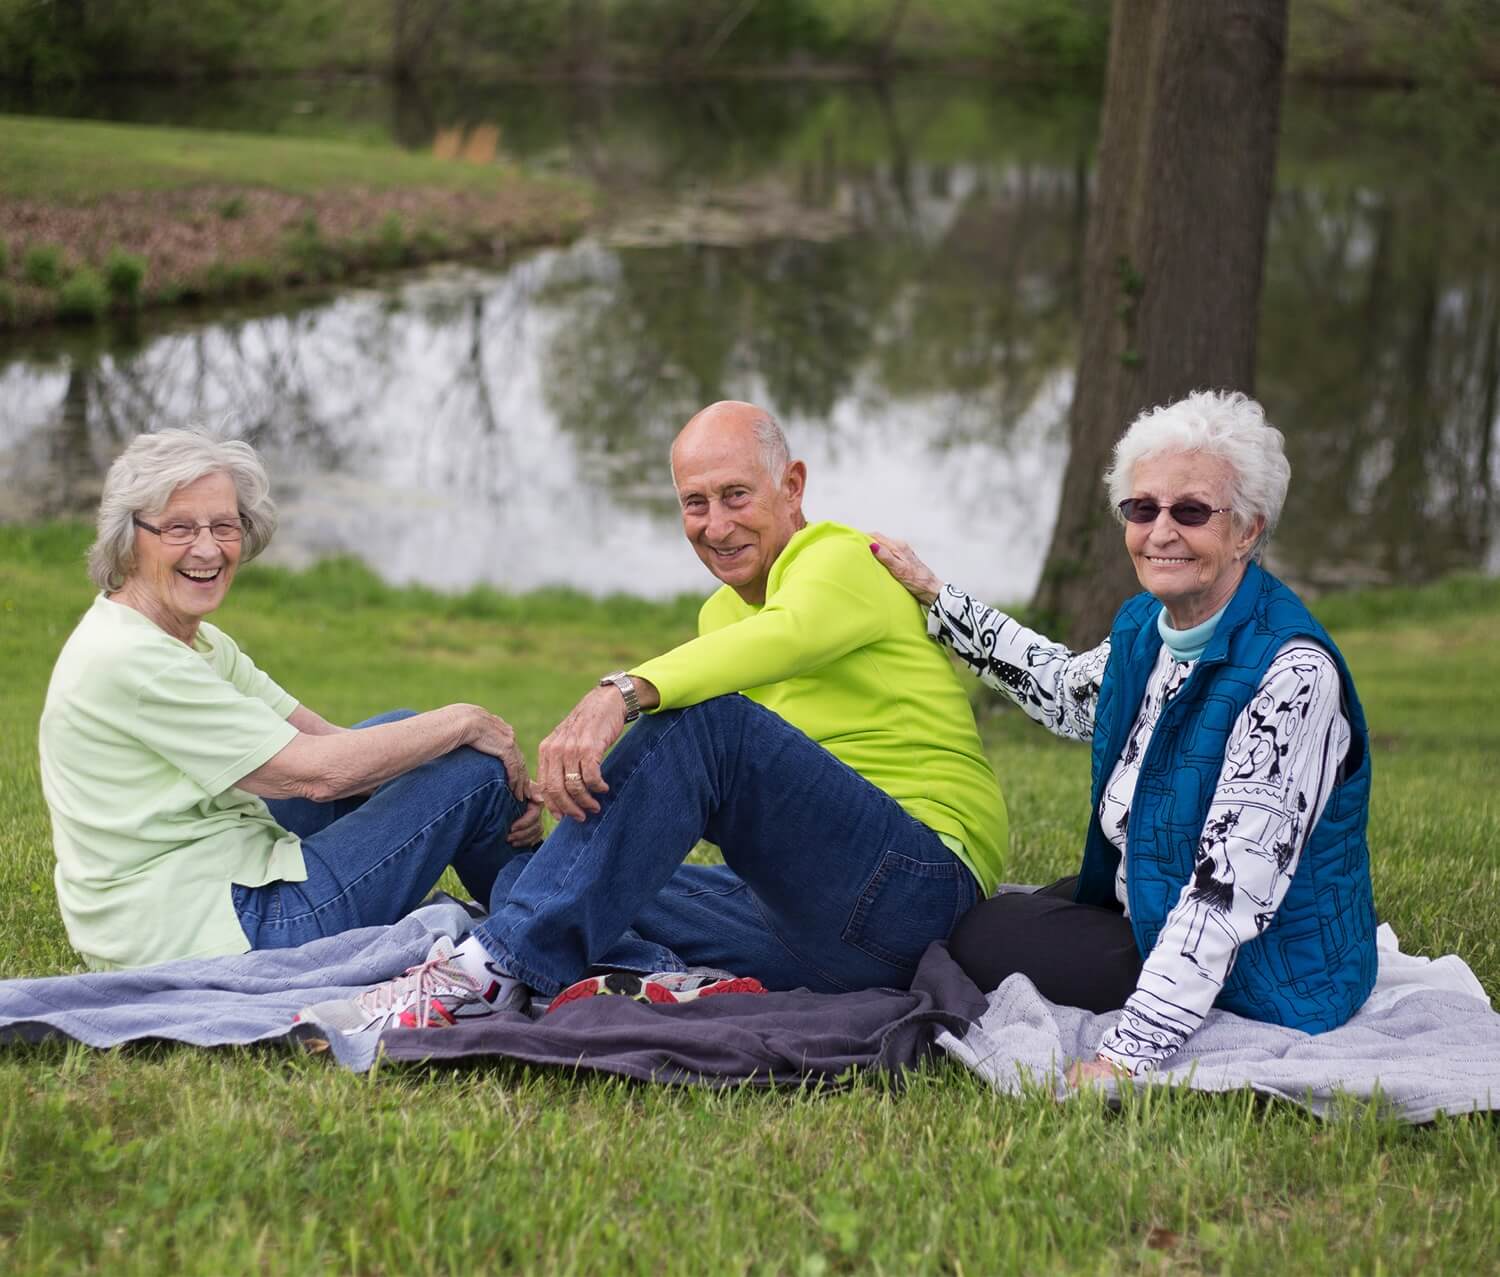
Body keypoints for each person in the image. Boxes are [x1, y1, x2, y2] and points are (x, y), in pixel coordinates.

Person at [300, 400, 1008, 1033]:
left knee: (708, 722)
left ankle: (477, 977)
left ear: (792, 485)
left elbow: (779, 645)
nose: (716, 525)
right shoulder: (722, 613)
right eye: (695, 503)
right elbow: (704, 781)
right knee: (540, 882)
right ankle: (671, 980)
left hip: (915, 893)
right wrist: (572, 806)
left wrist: (620, 694)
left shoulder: (843, 559)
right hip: (816, 927)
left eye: (736, 495)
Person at [870, 389, 1378, 1084]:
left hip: (1271, 958)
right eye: (1143, 508)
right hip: (1148, 890)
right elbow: (1064, 690)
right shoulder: (1150, 627)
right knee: (1002, 917)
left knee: (978, 933)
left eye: (1191, 510)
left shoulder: (1291, 674)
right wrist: (937, 597)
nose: (1161, 530)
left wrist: (1123, 1054)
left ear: (1248, 530)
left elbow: (1226, 895)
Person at [38, 429, 541, 972]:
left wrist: (443, 743)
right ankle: (553, 928)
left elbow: (332, 745)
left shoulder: (189, 640)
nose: (207, 548)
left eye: (224, 525)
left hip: (207, 885)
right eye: (179, 528)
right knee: (470, 771)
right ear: (130, 537)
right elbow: (315, 776)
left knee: (411, 735)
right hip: (210, 932)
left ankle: (544, 907)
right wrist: (464, 723)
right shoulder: (135, 660)